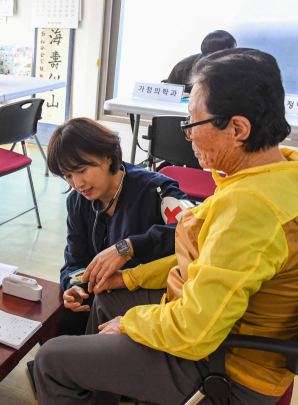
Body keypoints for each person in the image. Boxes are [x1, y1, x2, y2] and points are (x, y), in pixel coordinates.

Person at [34, 48, 298, 405]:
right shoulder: (280, 172)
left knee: (51, 360)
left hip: (229, 367)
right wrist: (127, 276)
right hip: (222, 330)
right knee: (106, 298)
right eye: (67, 177)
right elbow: (205, 255)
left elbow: (195, 330)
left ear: (238, 129)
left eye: (192, 121)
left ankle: (77, 381)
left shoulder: (248, 207)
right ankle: (102, 403)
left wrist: (132, 322)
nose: (186, 135)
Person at [46, 118, 190, 336]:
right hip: (104, 293)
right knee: (53, 324)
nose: (77, 184)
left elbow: (192, 229)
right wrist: (71, 286)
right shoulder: (77, 202)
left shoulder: (156, 190)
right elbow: (75, 261)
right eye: (68, 176)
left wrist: (128, 247)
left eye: (82, 170)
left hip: (153, 296)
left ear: (108, 156)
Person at [164, 30, 237, 93]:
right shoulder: (184, 67)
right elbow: (168, 91)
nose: (236, 52)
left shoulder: (237, 66)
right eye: (232, 50)